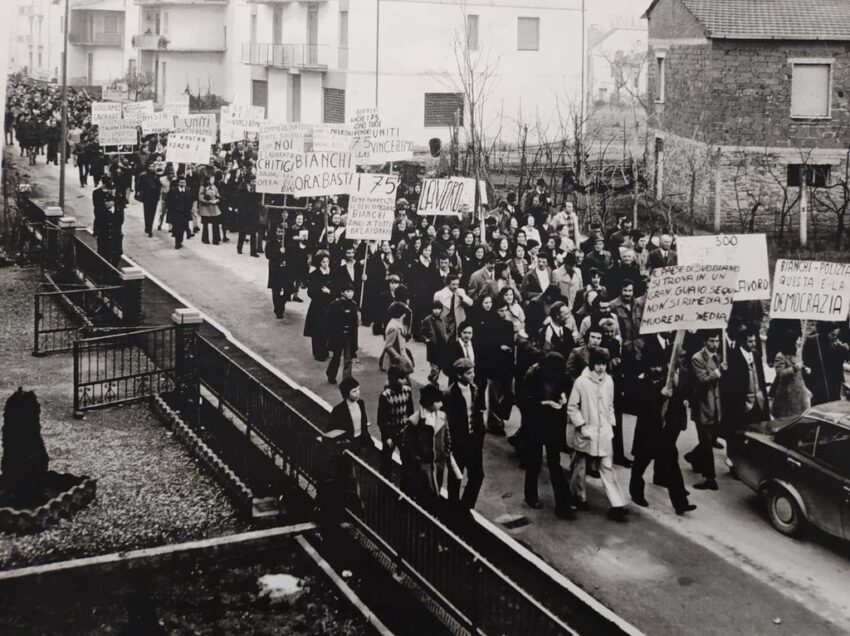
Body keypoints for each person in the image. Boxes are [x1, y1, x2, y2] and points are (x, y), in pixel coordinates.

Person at [567, 348, 629, 521]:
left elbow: (610, 404)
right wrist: (581, 425)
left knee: (607, 467)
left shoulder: (609, 381)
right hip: (586, 432)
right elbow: (572, 407)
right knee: (580, 467)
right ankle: (579, 498)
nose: (601, 368)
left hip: (604, 433)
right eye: (598, 364)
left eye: (604, 364)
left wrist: (610, 423)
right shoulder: (581, 382)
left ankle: (616, 504)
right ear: (591, 364)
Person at [521, 352, 575, 518]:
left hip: (552, 424)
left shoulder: (561, 376)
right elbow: (524, 400)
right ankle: (531, 496)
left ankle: (563, 504)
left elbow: (564, 389)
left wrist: (563, 397)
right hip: (535, 423)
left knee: (554, 463)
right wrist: (546, 403)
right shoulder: (533, 376)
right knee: (534, 462)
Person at [445, 358, 487, 508]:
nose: (473, 375)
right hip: (458, 443)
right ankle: (453, 508)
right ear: (459, 375)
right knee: (456, 476)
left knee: (477, 475)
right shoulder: (450, 393)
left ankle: (466, 507)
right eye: (469, 373)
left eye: (473, 371)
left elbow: (480, 411)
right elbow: (447, 421)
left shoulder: (475, 389)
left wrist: (480, 432)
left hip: (474, 441)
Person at [685, 332, 725, 490]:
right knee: (707, 443)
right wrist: (718, 372)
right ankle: (709, 478)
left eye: (717, 341)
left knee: (708, 440)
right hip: (703, 405)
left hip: (717, 406)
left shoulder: (720, 356)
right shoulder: (697, 358)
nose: (715, 344)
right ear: (705, 341)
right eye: (711, 341)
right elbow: (702, 380)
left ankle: (693, 457)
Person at [399, 384, 451, 504]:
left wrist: (446, 452)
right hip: (424, 464)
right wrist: (417, 459)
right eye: (438, 402)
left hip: (439, 460)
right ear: (430, 403)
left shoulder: (442, 417)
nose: (441, 404)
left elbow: (447, 436)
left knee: (437, 484)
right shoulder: (415, 421)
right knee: (425, 491)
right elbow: (408, 444)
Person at [723, 328, 769, 436]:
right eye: (750, 341)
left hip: (758, 402)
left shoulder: (756, 355)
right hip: (743, 405)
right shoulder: (733, 357)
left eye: (754, 341)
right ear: (742, 342)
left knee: (757, 435)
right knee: (739, 435)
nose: (754, 344)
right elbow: (731, 387)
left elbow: (761, 379)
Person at [376, 365, 415, 478]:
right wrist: (386, 436)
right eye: (401, 378)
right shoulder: (385, 396)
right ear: (393, 379)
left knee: (407, 458)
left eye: (405, 378)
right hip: (390, 431)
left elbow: (410, 412)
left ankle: (406, 485)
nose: (404, 381)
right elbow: (381, 419)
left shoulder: (407, 391)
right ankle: (385, 483)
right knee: (386, 459)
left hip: (404, 430)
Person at [803, 322, 850, 406]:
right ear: (825, 332)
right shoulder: (812, 341)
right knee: (819, 403)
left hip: (834, 381)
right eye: (832, 334)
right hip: (818, 379)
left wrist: (844, 350)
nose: (835, 337)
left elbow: (841, 360)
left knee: (833, 403)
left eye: (836, 335)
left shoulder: (835, 343)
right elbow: (806, 359)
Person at [771, 330, 812, 418]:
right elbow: (780, 373)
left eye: (800, 339)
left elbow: (799, 366)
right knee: (787, 418)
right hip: (787, 394)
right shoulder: (780, 355)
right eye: (798, 339)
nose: (800, 342)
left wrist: (805, 369)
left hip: (800, 391)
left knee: (801, 416)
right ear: (791, 340)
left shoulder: (797, 352)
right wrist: (793, 368)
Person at [325, 282, 359, 384]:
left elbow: (355, 322)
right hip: (338, 335)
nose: (350, 293)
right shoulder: (335, 304)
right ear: (342, 292)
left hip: (349, 335)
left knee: (348, 358)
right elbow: (329, 321)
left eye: (352, 291)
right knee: (336, 356)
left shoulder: (354, 305)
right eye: (348, 291)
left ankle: (347, 380)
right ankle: (331, 374)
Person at [304, 250, 335, 362]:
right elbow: (310, 292)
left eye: (327, 261)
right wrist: (321, 293)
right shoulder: (314, 275)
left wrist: (330, 292)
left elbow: (337, 289)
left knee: (327, 329)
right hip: (318, 306)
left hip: (330, 306)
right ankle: (318, 352)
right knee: (317, 330)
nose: (326, 264)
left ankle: (325, 349)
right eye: (323, 262)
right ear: (319, 263)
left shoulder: (332, 274)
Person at [330, 377, 371, 450]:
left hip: (362, 440)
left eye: (358, 389)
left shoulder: (361, 403)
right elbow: (332, 429)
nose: (358, 393)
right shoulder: (339, 410)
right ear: (346, 393)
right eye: (354, 391)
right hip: (348, 444)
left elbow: (364, 421)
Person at [433, 273, 474, 342]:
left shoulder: (461, 291)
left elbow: (471, 303)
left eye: (457, 284)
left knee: (458, 340)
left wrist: (463, 297)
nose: (456, 287)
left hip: (458, 319)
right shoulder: (439, 294)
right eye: (453, 284)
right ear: (448, 284)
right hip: (445, 320)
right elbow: (435, 309)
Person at [380, 301, 415, 376]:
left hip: (400, 358)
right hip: (394, 361)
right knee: (394, 382)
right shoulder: (393, 327)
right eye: (403, 313)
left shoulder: (398, 324)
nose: (405, 315)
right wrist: (398, 358)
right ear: (401, 314)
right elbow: (388, 346)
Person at [421, 300, 450, 386]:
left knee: (441, 366)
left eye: (438, 309)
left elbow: (448, 329)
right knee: (435, 368)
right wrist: (426, 339)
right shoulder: (427, 320)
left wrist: (447, 337)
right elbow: (422, 332)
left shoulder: (444, 318)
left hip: (443, 347)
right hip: (433, 348)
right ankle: (433, 383)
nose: (436, 311)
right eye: (434, 309)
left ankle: (433, 379)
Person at [265, 224, 290, 319]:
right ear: (276, 232)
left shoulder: (287, 242)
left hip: (285, 269)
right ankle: (278, 310)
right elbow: (268, 255)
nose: (280, 234)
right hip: (275, 269)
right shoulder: (271, 242)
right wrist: (279, 252)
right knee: (276, 290)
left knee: (288, 289)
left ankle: (281, 302)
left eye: (282, 232)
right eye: (279, 232)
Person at [166, 175, 194, 249]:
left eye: (184, 182)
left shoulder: (188, 190)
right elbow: (168, 201)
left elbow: (190, 201)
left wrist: (189, 209)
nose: (182, 184)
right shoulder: (173, 190)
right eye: (181, 182)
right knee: (177, 228)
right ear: (178, 183)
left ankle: (181, 240)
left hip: (185, 212)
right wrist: (170, 209)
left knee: (182, 227)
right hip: (176, 212)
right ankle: (177, 243)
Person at [135, 163, 161, 237]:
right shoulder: (143, 175)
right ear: (148, 167)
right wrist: (139, 193)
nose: (152, 168)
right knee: (147, 213)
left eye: (153, 166)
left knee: (152, 213)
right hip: (147, 197)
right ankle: (148, 228)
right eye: (150, 166)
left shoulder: (156, 175)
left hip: (154, 197)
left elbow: (159, 186)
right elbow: (138, 185)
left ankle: (149, 227)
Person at [236, 178, 261, 256]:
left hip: (253, 214)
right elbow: (239, 200)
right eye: (253, 181)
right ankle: (239, 247)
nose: (254, 183)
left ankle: (253, 251)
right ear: (249, 182)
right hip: (244, 214)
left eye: (255, 181)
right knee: (242, 231)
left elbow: (258, 200)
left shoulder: (256, 190)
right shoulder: (242, 188)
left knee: (253, 232)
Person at [197, 174, 223, 245]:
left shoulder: (214, 187)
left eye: (213, 179)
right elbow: (200, 197)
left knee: (215, 224)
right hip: (205, 208)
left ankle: (216, 239)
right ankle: (205, 239)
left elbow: (218, 195)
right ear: (208, 180)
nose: (213, 181)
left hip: (214, 207)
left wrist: (217, 200)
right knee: (205, 225)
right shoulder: (203, 187)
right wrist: (208, 201)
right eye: (211, 179)